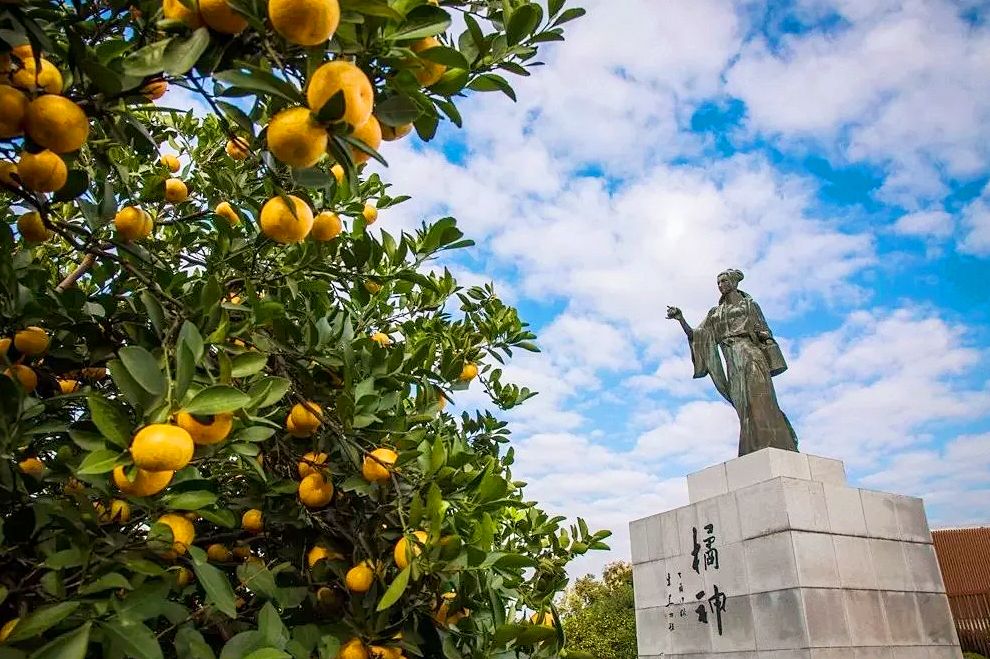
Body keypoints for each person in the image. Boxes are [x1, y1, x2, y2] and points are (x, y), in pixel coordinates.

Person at [666, 269, 798, 456]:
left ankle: (778, 444)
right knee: (743, 406)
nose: (721, 285)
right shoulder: (715, 313)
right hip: (732, 361)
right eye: (718, 283)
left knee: (760, 399)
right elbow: (697, 336)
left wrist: (767, 341)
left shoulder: (750, 305)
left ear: (735, 283)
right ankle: (753, 448)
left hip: (752, 354)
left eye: (725, 281)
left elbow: (764, 331)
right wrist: (681, 319)